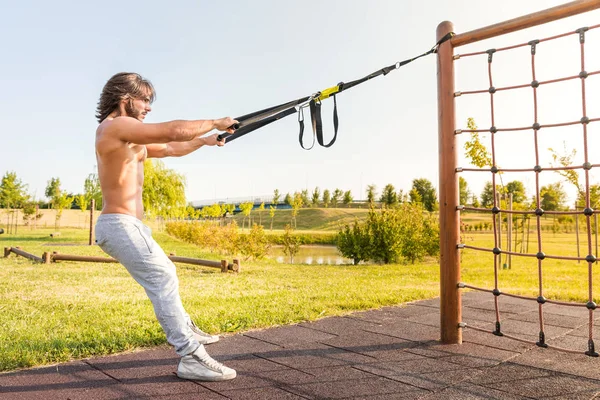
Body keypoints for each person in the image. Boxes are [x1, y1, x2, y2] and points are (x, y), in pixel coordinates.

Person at [94, 72, 237, 382]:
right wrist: (214, 121)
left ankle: (186, 331)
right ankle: (190, 355)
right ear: (126, 99)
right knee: (163, 275)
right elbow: (172, 129)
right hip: (119, 223)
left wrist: (205, 141)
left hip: (128, 226)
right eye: (145, 100)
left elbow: (172, 146)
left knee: (163, 274)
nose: (148, 107)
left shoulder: (129, 138)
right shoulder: (114, 126)